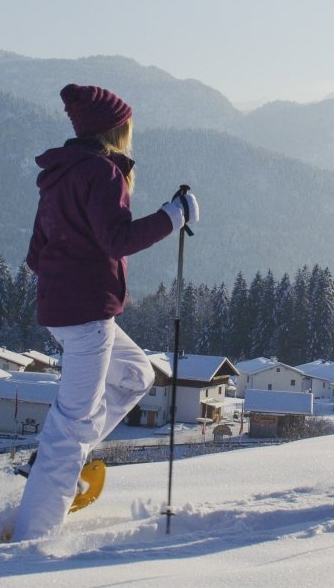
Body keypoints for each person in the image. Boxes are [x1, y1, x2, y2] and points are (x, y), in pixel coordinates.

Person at [14, 83, 199, 541]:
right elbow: (118, 240)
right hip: (87, 317)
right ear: (114, 129)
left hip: (64, 311)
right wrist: (173, 216)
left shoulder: (60, 172)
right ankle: (33, 538)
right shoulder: (102, 173)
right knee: (70, 429)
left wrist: (70, 276)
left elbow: (36, 253)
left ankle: (58, 465)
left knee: (137, 375)